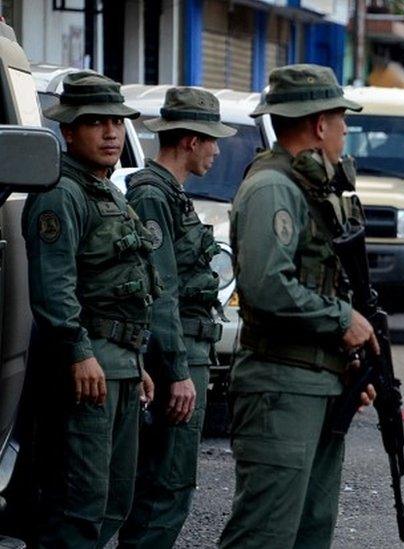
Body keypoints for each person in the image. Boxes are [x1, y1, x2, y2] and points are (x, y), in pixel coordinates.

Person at [218, 64, 377, 548]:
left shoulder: (310, 189)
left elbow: (322, 280)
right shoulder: (273, 188)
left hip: (314, 384)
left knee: (311, 530)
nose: (346, 130)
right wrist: (341, 321)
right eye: (340, 119)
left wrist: (348, 361)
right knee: (264, 534)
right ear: (318, 124)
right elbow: (268, 286)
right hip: (279, 389)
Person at [23, 71, 156, 546]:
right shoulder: (62, 192)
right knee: (77, 508)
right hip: (83, 367)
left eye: (117, 122)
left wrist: (136, 362)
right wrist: (80, 353)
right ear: (69, 130)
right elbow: (54, 289)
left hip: (116, 365)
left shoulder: (109, 191)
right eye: (96, 123)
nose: (111, 133)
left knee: (112, 503)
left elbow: (122, 282)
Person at [117, 87, 236, 547]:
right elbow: (161, 291)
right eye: (213, 140)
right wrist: (179, 371)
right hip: (177, 352)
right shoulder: (153, 196)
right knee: (165, 487)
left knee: (168, 484)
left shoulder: (170, 193)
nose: (217, 150)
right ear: (191, 141)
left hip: (188, 347)